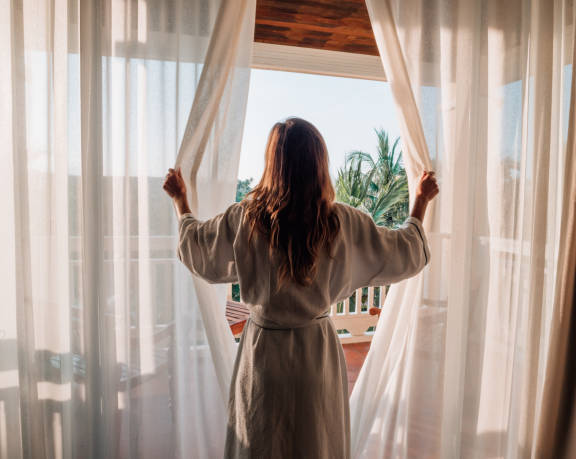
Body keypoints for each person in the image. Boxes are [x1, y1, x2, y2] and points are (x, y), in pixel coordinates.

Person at [163, 117, 439, 459]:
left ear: (272, 164)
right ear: (319, 164)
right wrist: (421, 202)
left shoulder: (245, 220)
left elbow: (197, 248)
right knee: (315, 443)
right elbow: (403, 252)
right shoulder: (342, 223)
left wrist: (180, 202)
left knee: (261, 441)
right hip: (316, 356)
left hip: (263, 356)